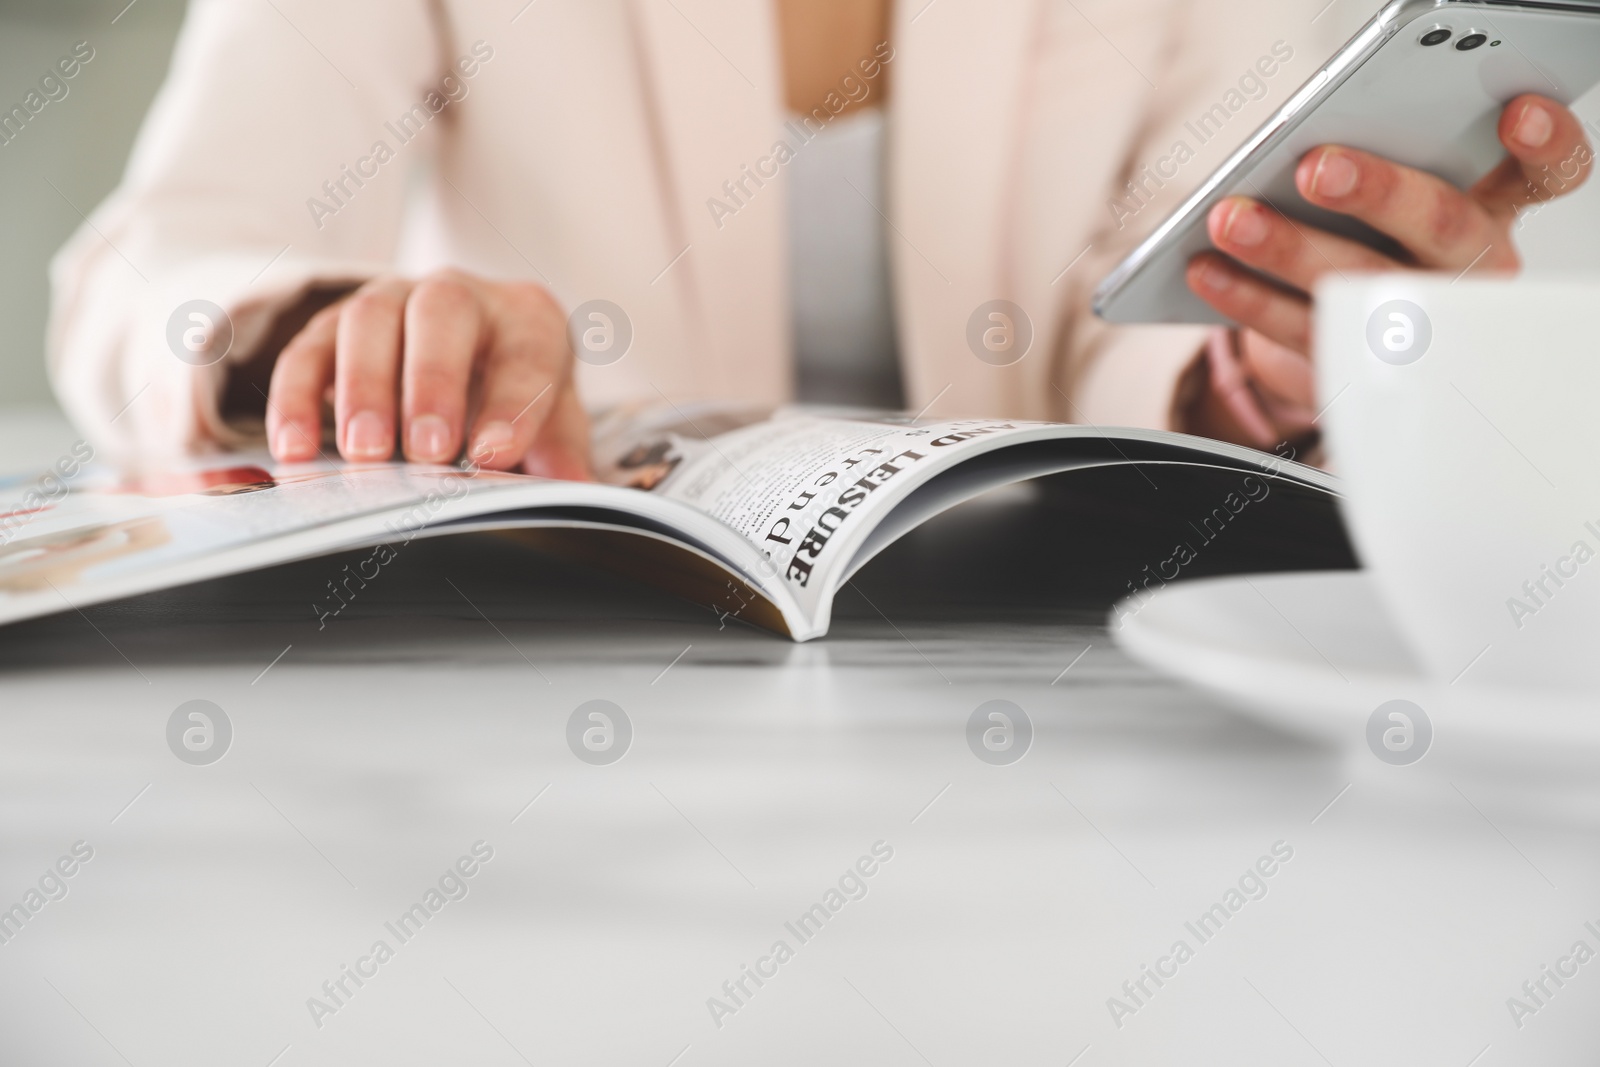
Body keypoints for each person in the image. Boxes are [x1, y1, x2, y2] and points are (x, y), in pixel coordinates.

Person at [48, 0, 1592, 475]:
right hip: (545, 678)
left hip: (1054, 698)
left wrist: (1275, 365)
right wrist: (318, 334)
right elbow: (151, 269)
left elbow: (1147, 319)